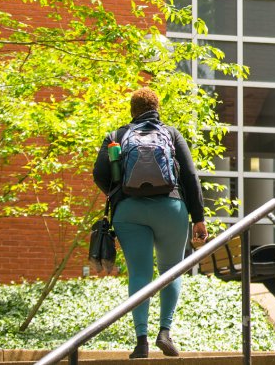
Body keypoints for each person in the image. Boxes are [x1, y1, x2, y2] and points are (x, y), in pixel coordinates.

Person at [93, 88, 208, 359]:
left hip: (129, 211)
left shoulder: (117, 136)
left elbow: (99, 174)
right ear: (157, 107)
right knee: (171, 270)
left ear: (132, 110)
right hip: (171, 207)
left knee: (140, 275)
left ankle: (141, 341)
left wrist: (119, 193)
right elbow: (190, 175)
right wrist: (199, 218)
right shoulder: (171, 133)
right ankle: (165, 332)